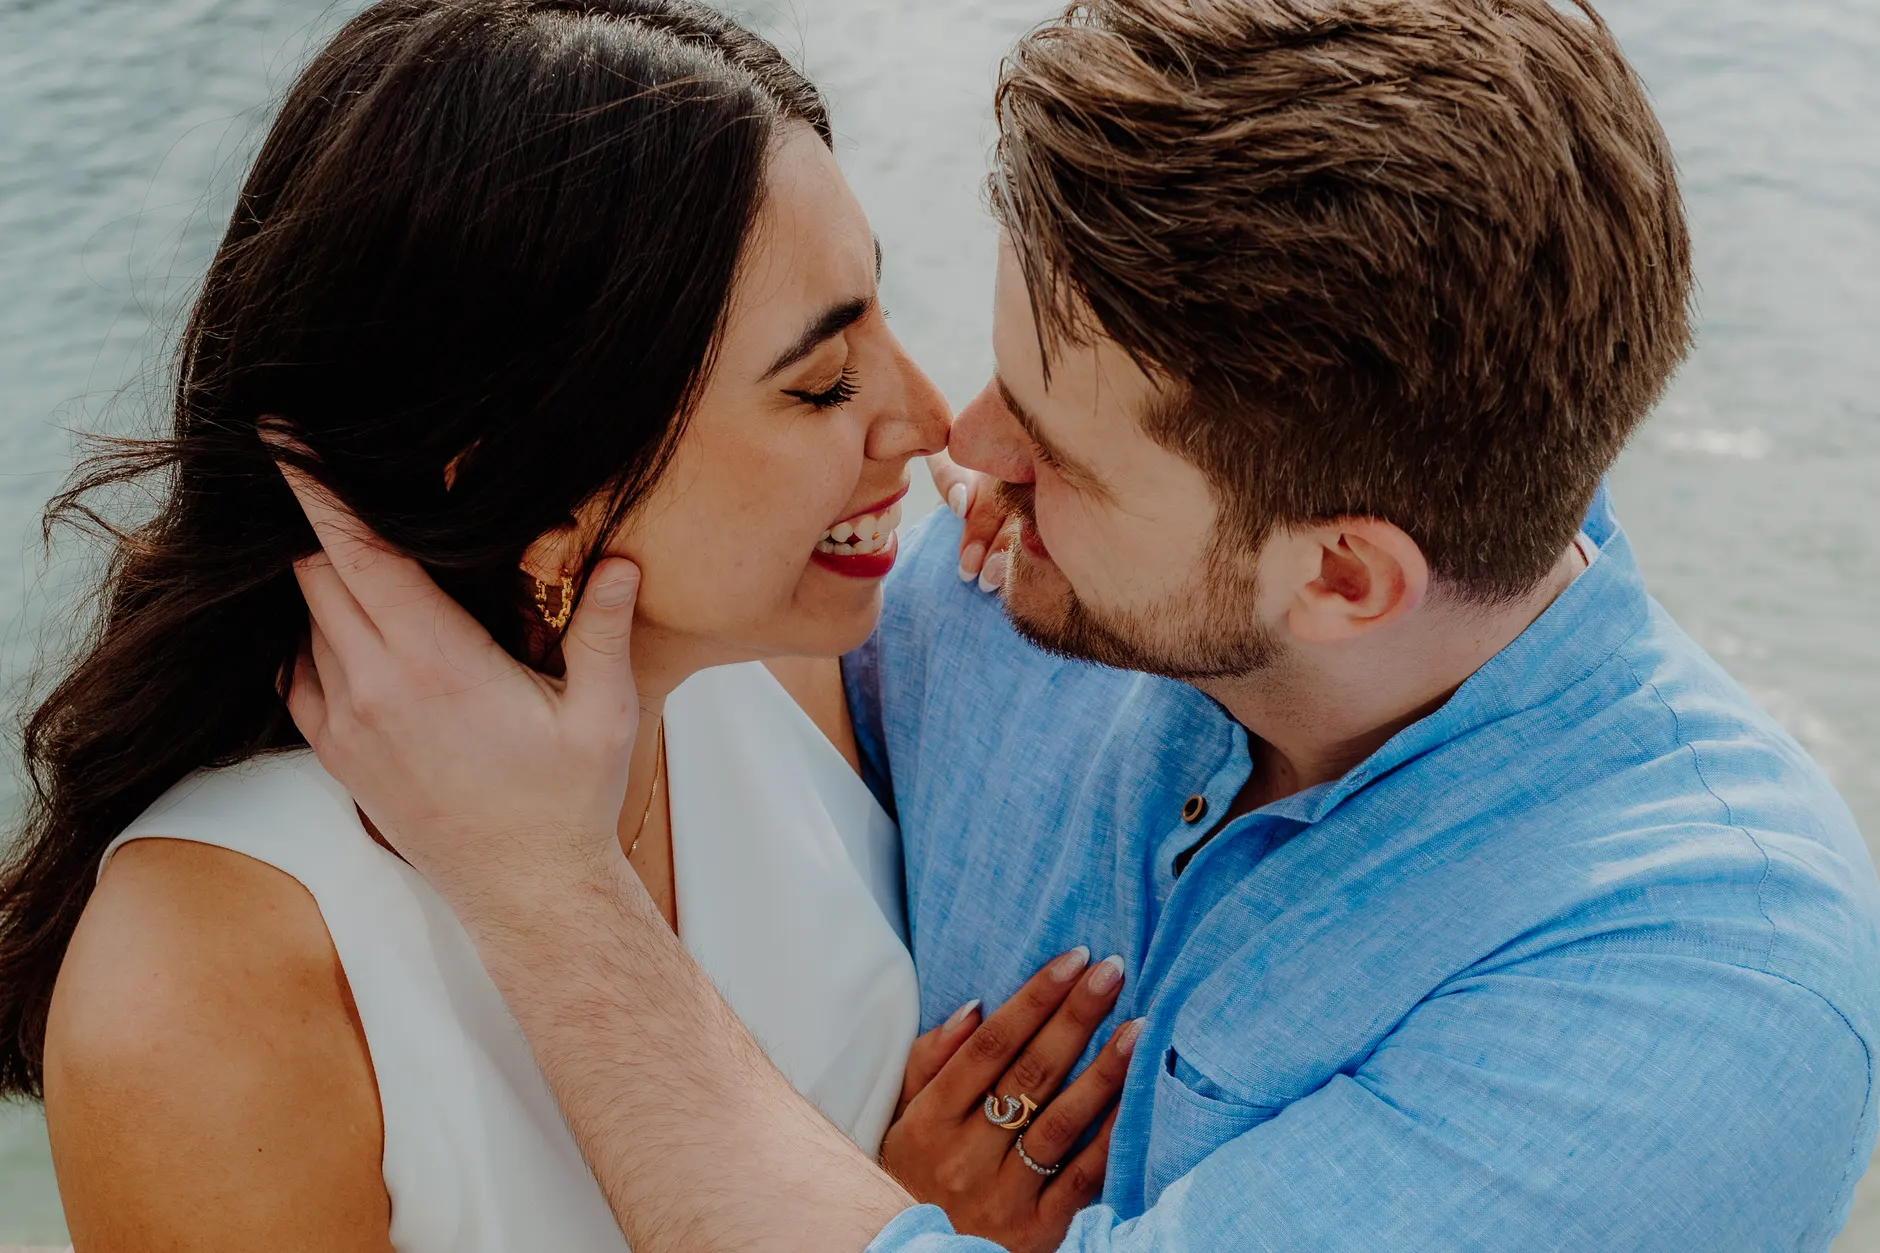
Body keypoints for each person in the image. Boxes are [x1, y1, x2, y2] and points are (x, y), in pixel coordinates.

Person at [277, 0, 1880, 1249]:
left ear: (1339, 580)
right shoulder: (994, 608)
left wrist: (544, 887)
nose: (962, 447)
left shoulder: (1712, 991)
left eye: (1062, 445)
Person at [0, 3, 1127, 1249]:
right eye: (818, 384)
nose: (928, 420)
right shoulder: (202, 979)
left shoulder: (778, 666)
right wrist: (906, 1218)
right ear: (537, 488)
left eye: (877, 309)